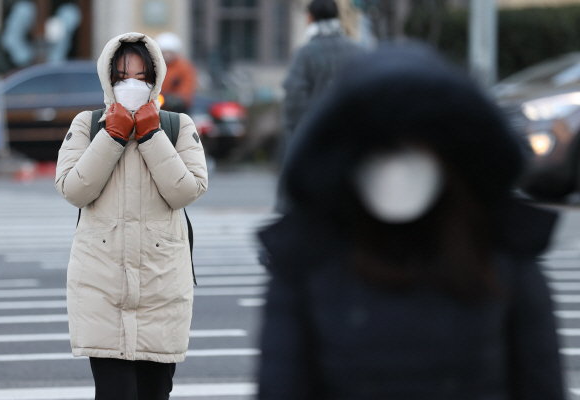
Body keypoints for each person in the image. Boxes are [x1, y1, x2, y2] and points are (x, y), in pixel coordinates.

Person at [257, 44, 564, 399]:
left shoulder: (503, 250)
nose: (398, 165)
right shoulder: (309, 259)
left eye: (414, 143)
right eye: (383, 146)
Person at [55, 32, 208, 400]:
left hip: (161, 285)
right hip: (102, 287)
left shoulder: (178, 126)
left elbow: (186, 191)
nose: (131, 85)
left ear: (155, 78)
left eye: (141, 77)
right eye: (123, 77)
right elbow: (74, 189)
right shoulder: (86, 124)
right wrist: (112, 135)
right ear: (109, 79)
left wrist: (152, 134)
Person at [282, 0, 366, 140]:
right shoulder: (357, 51)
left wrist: (296, 130)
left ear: (310, 18)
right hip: (351, 135)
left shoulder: (305, 54)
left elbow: (294, 96)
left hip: (317, 135)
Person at [155, 32, 197, 114]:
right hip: (157, 104)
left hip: (176, 106)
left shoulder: (184, 67)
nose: (166, 55)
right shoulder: (153, 66)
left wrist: (179, 98)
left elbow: (187, 85)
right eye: (164, 52)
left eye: (169, 52)